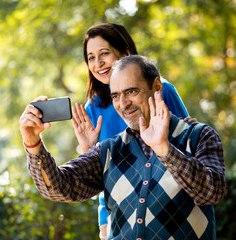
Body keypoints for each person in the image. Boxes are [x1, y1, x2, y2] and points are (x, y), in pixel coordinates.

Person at [20, 55, 227, 239]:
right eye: (116, 95)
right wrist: (33, 143)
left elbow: (212, 192)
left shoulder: (200, 136)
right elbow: (58, 188)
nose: (123, 104)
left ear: (156, 87)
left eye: (131, 91)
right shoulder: (108, 149)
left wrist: (164, 149)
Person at [77, 23, 194, 239]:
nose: (98, 63)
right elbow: (94, 173)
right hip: (115, 215)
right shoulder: (92, 108)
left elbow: (187, 145)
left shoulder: (161, 90)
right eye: (91, 57)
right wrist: (86, 151)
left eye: (105, 53)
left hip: (168, 208)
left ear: (126, 54)